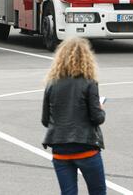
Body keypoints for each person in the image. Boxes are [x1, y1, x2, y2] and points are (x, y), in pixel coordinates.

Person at [42, 38, 106, 195]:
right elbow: (97, 118)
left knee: (68, 192)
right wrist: (100, 108)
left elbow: (45, 120)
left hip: (60, 147)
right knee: (98, 192)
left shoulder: (52, 84)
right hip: (85, 146)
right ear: (86, 58)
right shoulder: (89, 83)